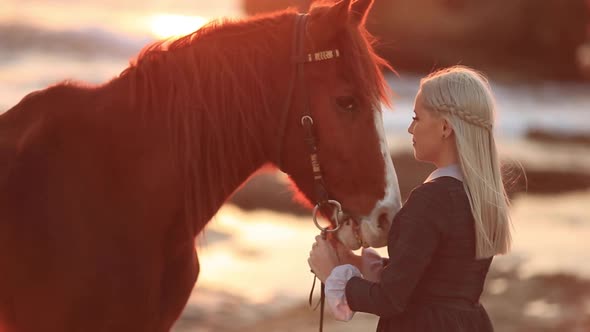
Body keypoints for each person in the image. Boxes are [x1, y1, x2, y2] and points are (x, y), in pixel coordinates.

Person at [308, 65, 512, 332]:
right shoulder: (478, 196)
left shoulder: (430, 200)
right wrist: (356, 264)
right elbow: (431, 273)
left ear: (444, 128)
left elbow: (390, 300)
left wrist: (333, 275)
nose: (409, 128)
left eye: (417, 118)